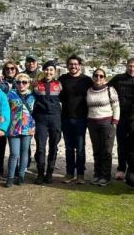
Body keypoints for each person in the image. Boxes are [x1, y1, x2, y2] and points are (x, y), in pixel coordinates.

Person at [108, 58, 134, 179]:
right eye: (130, 66)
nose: (132, 69)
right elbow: (106, 89)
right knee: (121, 144)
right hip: (121, 117)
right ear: (126, 66)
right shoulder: (118, 78)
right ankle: (121, 168)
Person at [59, 55, 92, 184]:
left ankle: (80, 174)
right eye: (71, 64)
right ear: (67, 66)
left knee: (80, 147)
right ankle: (69, 173)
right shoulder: (63, 79)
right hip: (66, 117)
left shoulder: (87, 80)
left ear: (80, 65)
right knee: (68, 147)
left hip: (81, 118)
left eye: (75, 64)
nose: (73, 66)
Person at [87, 68, 120, 186]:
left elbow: (116, 107)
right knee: (96, 150)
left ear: (104, 78)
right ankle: (97, 174)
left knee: (106, 150)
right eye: (96, 75)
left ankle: (105, 176)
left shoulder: (110, 90)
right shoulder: (89, 91)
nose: (98, 78)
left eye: (101, 76)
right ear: (93, 77)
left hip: (107, 123)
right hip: (92, 123)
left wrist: (115, 122)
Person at [32, 60, 63, 184]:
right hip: (41, 119)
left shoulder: (59, 84)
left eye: (51, 70)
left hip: (55, 118)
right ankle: (40, 174)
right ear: (43, 71)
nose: (48, 72)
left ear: (54, 71)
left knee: (53, 146)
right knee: (40, 147)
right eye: (46, 69)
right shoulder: (36, 85)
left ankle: (49, 173)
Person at [5, 73, 36, 187]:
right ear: (15, 83)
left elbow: (36, 112)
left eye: (24, 82)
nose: (21, 84)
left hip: (28, 128)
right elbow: (4, 110)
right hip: (13, 128)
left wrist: (34, 126)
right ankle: (10, 177)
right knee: (14, 153)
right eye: (18, 82)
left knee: (24, 153)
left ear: (28, 84)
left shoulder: (32, 96)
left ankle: (21, 175)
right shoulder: (10, 95)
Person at [0, 61, 18, 179]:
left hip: (16, 118)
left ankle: (18, 168)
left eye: (12, 68)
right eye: (7, 69)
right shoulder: (0, 83)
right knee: (1, 145)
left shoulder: (20, 81)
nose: (10, 70)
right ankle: (0, 169)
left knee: (17, 145)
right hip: (3, 117)